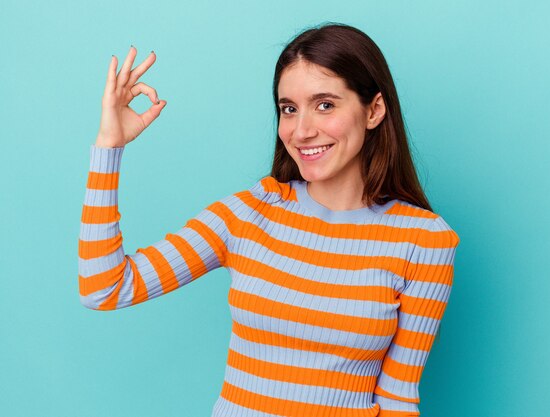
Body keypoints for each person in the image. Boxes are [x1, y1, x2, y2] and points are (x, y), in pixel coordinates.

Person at [79, 22, 460, 417]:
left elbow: (397, 399)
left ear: (374, 110)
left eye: (325, 104)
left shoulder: (425, 242)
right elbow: (104, 288)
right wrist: (109, 147)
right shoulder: (248, 214)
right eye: (289, 109)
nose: (302, 131)